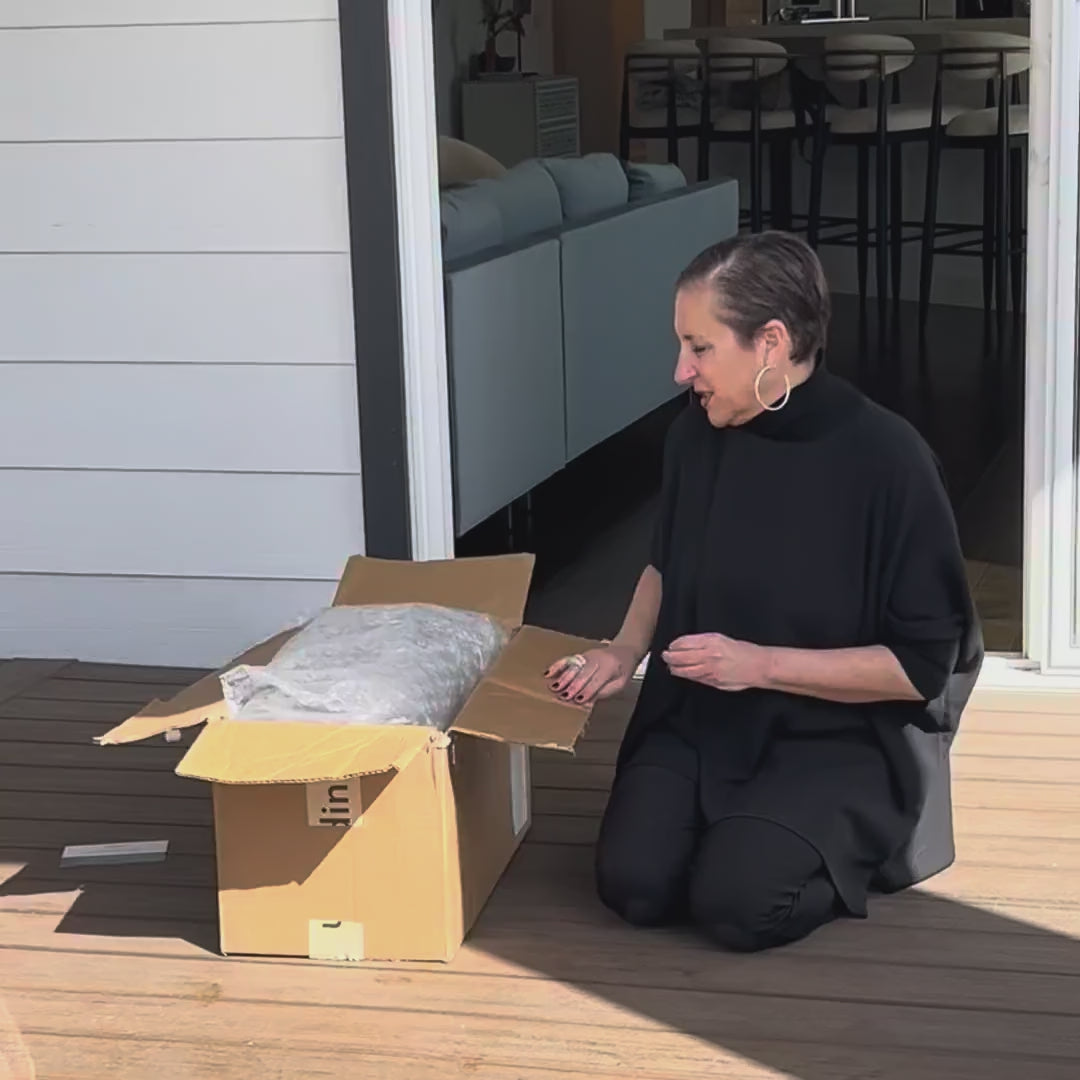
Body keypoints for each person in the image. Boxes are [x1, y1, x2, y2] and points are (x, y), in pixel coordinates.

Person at [544, 231, 983, 953]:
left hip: (832, 735)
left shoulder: (888, 460)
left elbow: (920, 666)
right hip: (700, 717)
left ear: (771, 342)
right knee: (635, 885)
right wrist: (623, 649)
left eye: (700, 347)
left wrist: (759, 665)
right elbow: (666, 563)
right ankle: (740, 830)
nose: (681, 370)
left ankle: (829, 838)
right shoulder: (695, 435)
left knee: (739, 905)